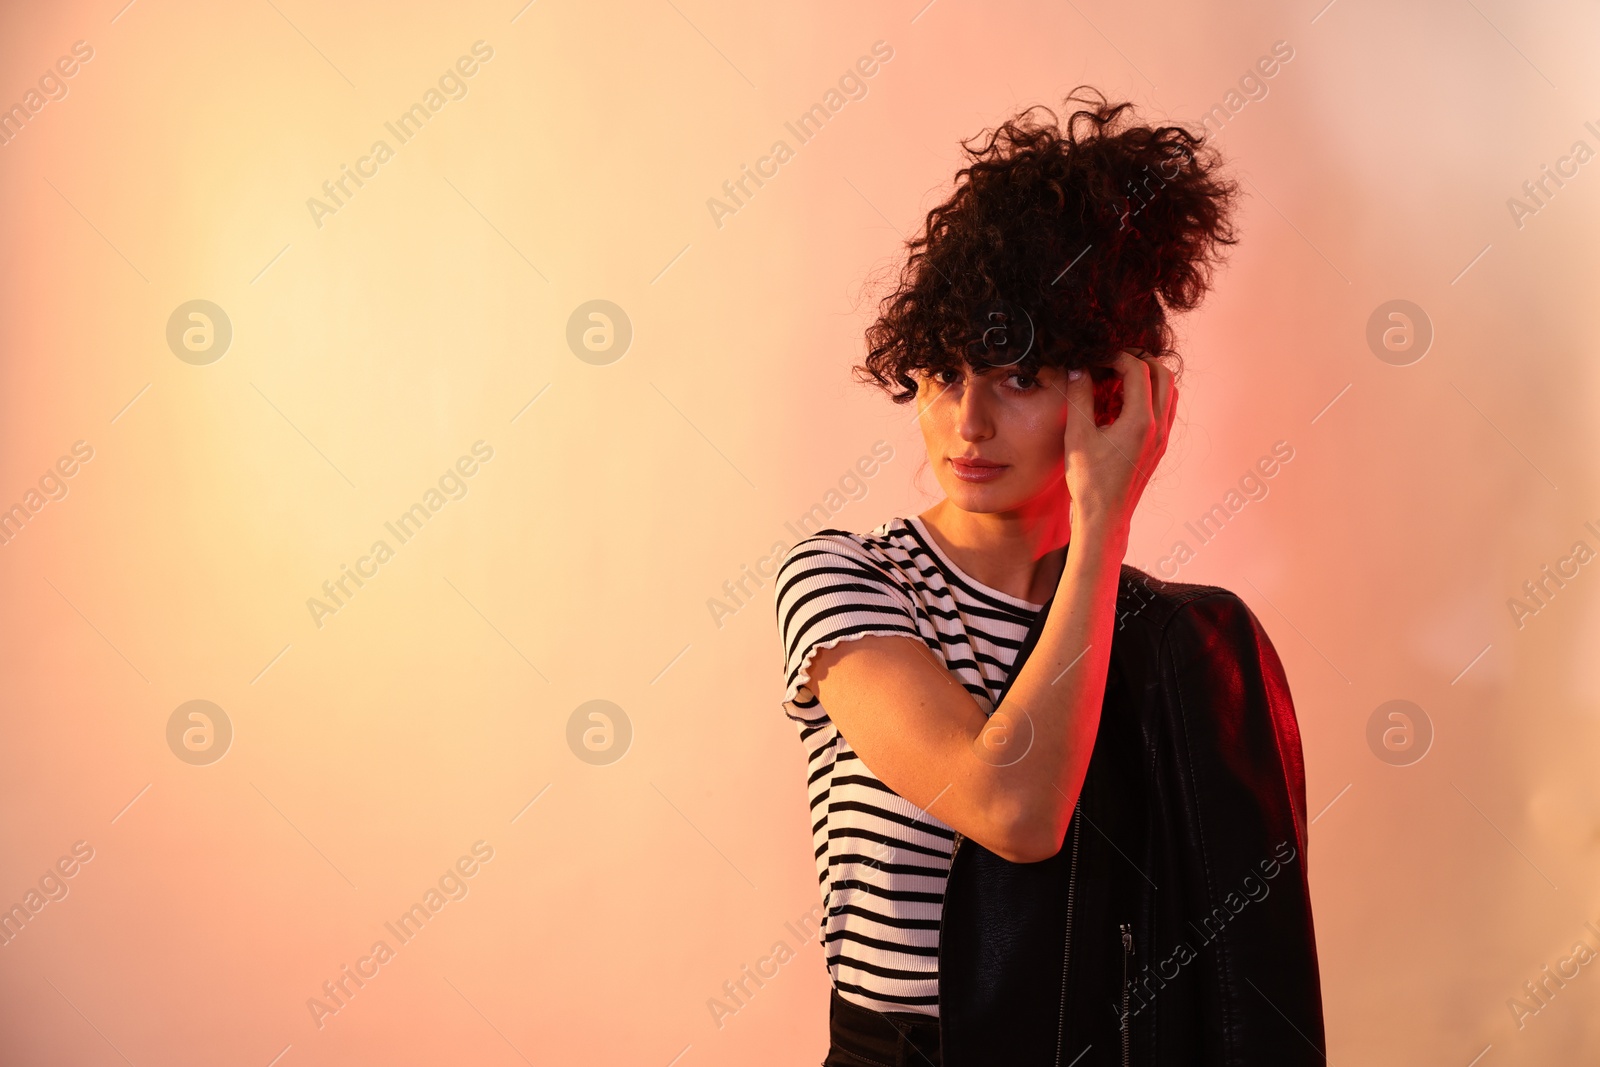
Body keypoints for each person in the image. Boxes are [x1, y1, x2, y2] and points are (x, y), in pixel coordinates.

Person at [773, 88, 1324, 1066]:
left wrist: (1100, 529)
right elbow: (1015, 809)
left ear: (1108, 389)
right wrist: (1106, 514)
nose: (968, 421)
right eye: (944, 373)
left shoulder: (1165, 643)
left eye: (1018, 375)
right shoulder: (849, 582)